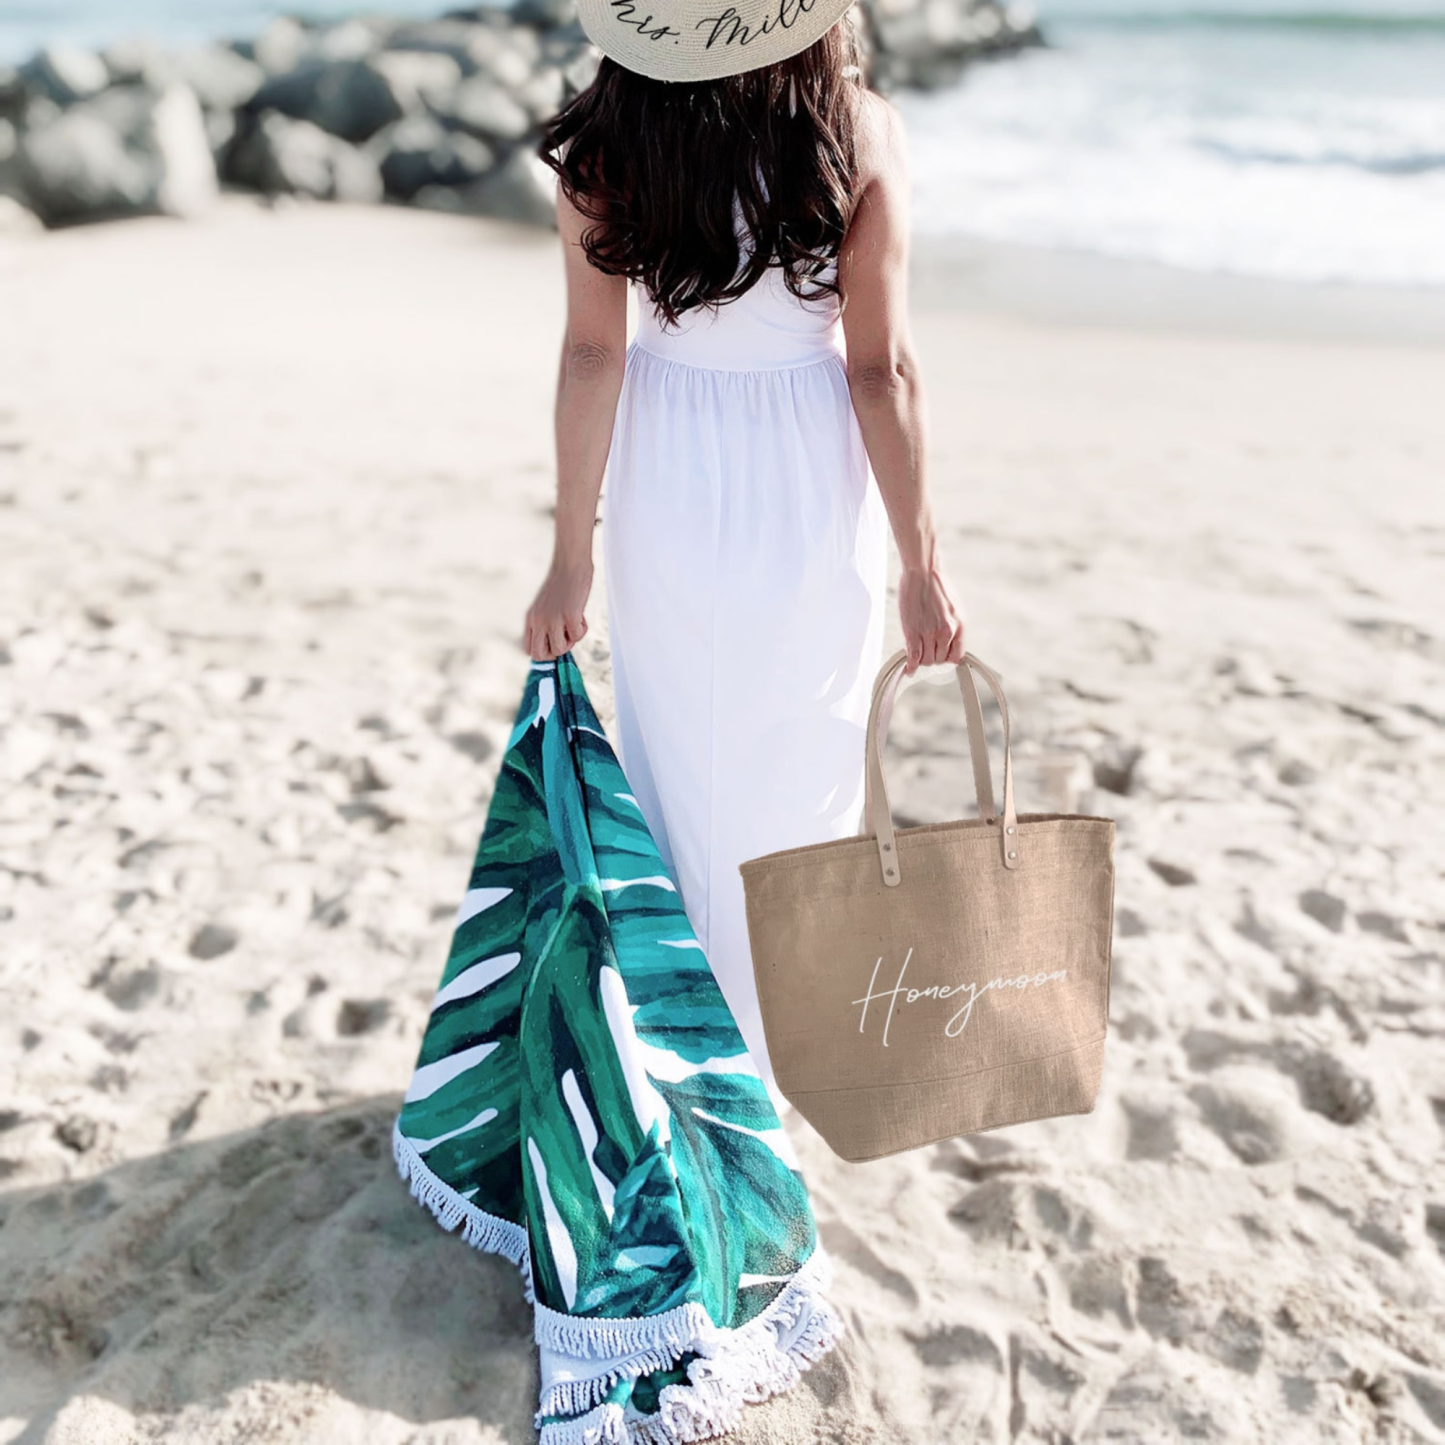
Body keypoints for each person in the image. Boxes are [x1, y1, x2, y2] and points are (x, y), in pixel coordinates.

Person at [523, 0, 966, 1112]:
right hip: (807, 465)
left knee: (675, 757)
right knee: (797, 756)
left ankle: (674, 1051)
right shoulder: (857, 130)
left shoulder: (608, 141)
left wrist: (569, 552)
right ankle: (762, 1067)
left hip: (665, 460)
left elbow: (591, 352)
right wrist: (919, 562)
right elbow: (882, 372)